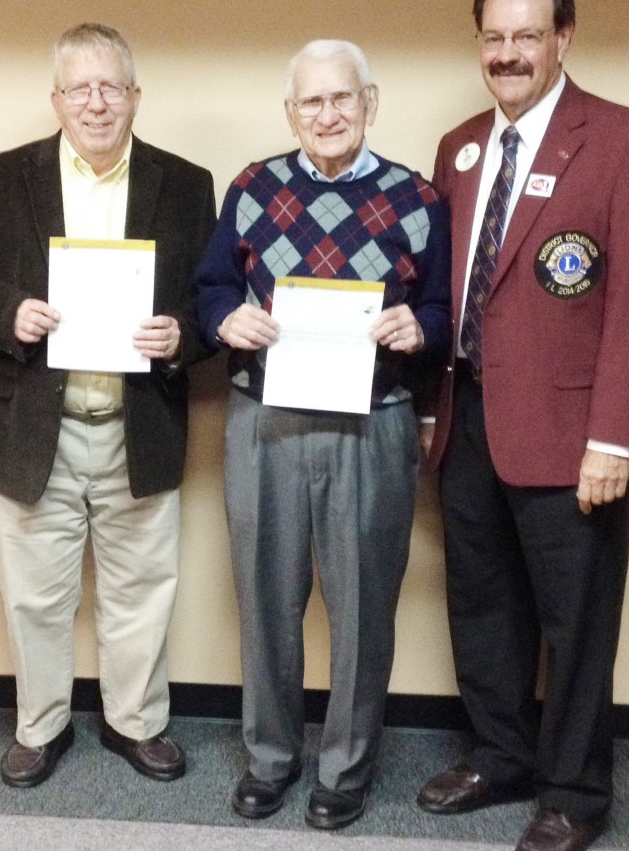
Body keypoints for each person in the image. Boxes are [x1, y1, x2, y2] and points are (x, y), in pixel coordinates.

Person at [416, 0, 629, 851]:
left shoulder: (627, 140)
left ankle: (573, 792)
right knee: (482, 601)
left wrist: (615, 436)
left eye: (527, 35)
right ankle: (501, 755)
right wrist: (428, 409)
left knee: (576, 619)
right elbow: (444, 292)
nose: (508, 54)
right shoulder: (458, 147)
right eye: (493, 37)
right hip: (468, 419)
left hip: (574, 433)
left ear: (564, 37)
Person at [0, 23, 215, 788]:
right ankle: (40, 727)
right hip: (37, 424)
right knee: (36, 596)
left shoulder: (186, 183)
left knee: (143, 589)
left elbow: (212, 298)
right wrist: (10, 316)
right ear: (56, 98)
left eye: (112, 87)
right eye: (80, 88)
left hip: (140, 422)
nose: (96, 103)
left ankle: (137, 723)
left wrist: (182, 335)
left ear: (135, 95)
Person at [193, 40, 450, 831]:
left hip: (373, 422)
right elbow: (209, 289)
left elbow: (445, 311)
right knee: (266, 595)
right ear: (291, 112)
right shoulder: (251, 188)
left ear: (369, 102)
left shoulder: (418, 197)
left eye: (343, 99)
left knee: (364, 604)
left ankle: (345, 768)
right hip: (264, 418)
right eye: (312, 102)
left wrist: (422, 326)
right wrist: (223, 317)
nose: (328, 115)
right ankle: (271, 758)